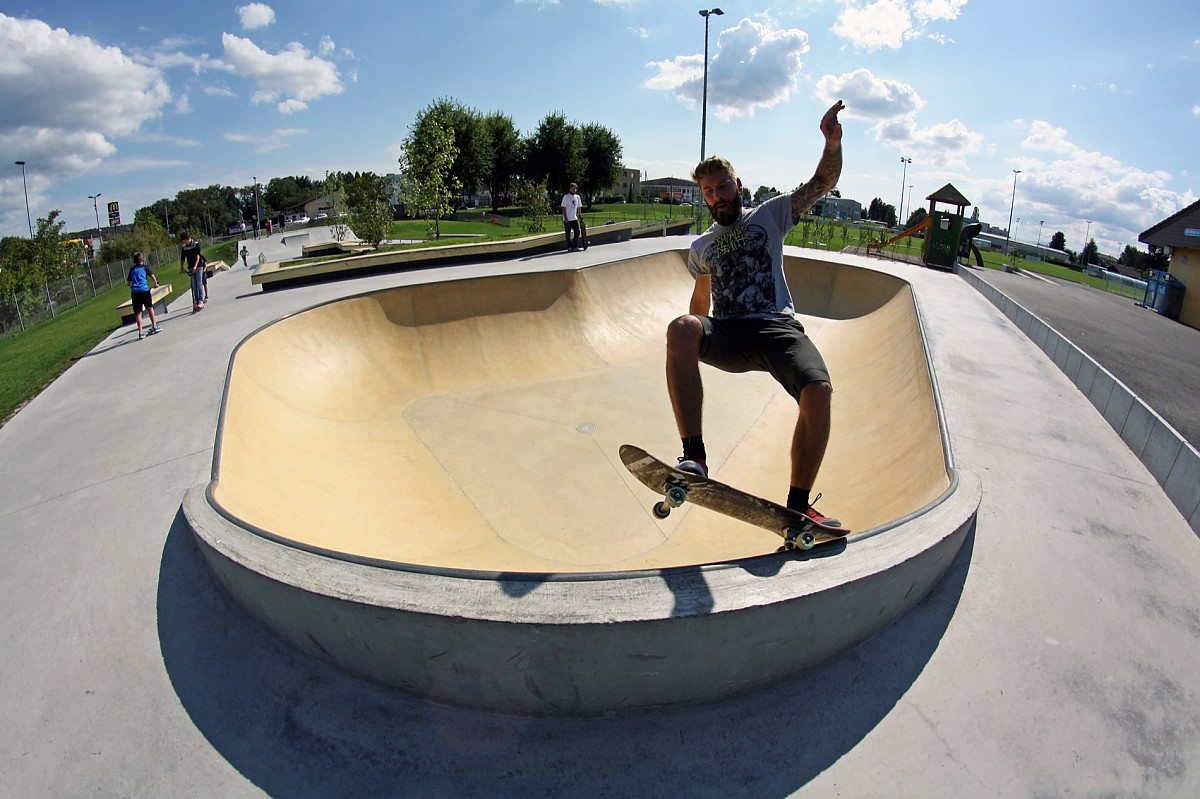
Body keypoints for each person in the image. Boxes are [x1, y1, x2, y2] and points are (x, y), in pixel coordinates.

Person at [665, 100, 846, 527]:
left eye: (722, 186)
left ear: (737, 184)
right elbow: (700, 303)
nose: (716, 196)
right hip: (729, 333)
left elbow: (824, 181)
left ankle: (798, 504)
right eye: (708, 191)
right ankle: (694, 458)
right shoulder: (700, 248)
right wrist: (687, 342)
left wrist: (832, 143)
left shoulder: (771, 214)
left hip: (776, 327)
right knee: (680, 326)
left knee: (818, 392)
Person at [127, 252, 162, 340]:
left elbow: (129, 283)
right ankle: (154, 326)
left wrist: (134, 287)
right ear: (143, 259)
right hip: (144, 290)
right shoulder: (145, 267)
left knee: (138, 312)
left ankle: (140, 332)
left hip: (135, 293)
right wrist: (156, 284)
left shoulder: (132, 270)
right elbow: (152, 277)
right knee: (150, 308)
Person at [179, 231, 204, 313]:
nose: (184, 242)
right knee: (193, 285)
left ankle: (201, 301)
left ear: (189, 238)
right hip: (190, 267)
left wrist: (195, 266)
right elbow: (183, 258)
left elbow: (198, 256)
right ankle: (196, 301)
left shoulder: (196, 244)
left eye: (185, 240)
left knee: (199, 283)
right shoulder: (184, 247)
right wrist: (182, 267)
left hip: (198, 267)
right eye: (183, 241)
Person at [561, 182, 584, 252]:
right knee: (568, 234)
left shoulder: (577, 197)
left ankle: (575, 246)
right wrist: (565, 217)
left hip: (574, 218)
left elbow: (579, 207)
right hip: (567, 218)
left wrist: (580, 215)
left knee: (577, 232)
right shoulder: (566, 197)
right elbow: (563, 207)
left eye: (575, 189)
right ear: (569, 189)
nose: (573, 190)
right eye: (572, 189)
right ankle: (569, 246)